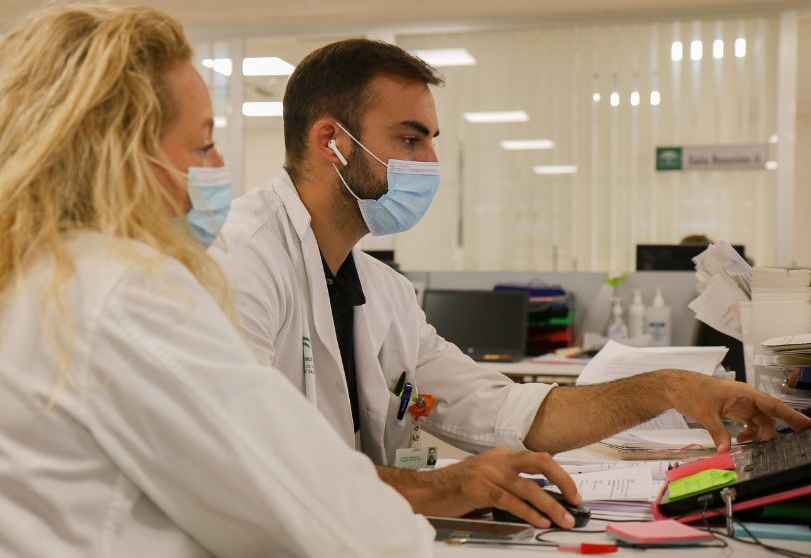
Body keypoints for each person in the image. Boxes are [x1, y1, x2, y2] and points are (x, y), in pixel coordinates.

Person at [0, 8, 437, 557]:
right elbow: (340, 524)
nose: (215, 169)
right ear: (121, 156)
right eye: (201, 144)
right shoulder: (115, 291)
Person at [212, 39, 811, 526]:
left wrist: (668, 389)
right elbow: (242, 456)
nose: (430, 164)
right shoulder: (241, 259)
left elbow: (498, 407)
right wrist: (437, 488)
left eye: (430, 142)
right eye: (409, 138)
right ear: (332, 142)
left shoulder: (381, 289)